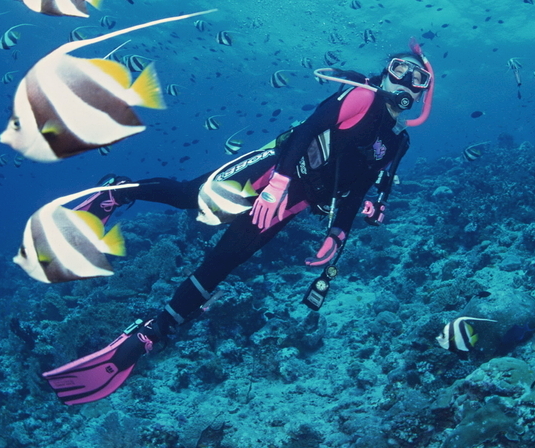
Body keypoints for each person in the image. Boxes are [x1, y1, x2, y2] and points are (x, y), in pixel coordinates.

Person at [42, 42, 435, 404]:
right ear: (386, 71)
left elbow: (360, 188)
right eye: (401, 69)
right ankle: (119, 191)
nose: (407, 82)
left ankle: (152, 333)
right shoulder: (362, 98)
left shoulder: (398, 142)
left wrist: (338, 232)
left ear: (423, 94)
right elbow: (307, 132)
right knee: (193, 199)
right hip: (273, 170)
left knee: (225, 262)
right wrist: (277, 184)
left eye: (419, 79)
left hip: (295, 203)